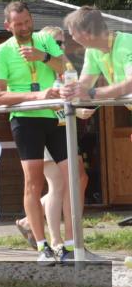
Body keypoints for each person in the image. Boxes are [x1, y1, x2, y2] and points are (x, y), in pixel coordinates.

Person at [0, 1, 78, 265]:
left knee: (71, 176)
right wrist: (36, 95)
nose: (25, 28)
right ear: (8, 26)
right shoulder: (1, 52)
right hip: (25, 120)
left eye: (28, 22)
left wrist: (44, 58)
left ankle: (71, 245)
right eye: (19, 25)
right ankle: (43, 246)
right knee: (34, 182)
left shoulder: (44, 40)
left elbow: (68, 70)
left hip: (54, 117)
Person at [14, 25, 91, 250]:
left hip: (63, 128)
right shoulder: (38, 67)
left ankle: (31, 221)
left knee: (74, 181)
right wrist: (76, 110)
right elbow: (47, 100)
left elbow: (69, 97)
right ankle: (56, 241)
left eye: (63, 43)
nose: (61, 47)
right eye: (56, 43)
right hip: (44, 128)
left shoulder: (63, 67)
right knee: (58, 185)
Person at [62, 6, 132, 103]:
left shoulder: (128, 42)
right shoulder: (92, 51)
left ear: (85, 33)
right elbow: (84, 85)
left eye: (72, 34)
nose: (72, 38)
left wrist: (92, 93)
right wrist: (70, 91)